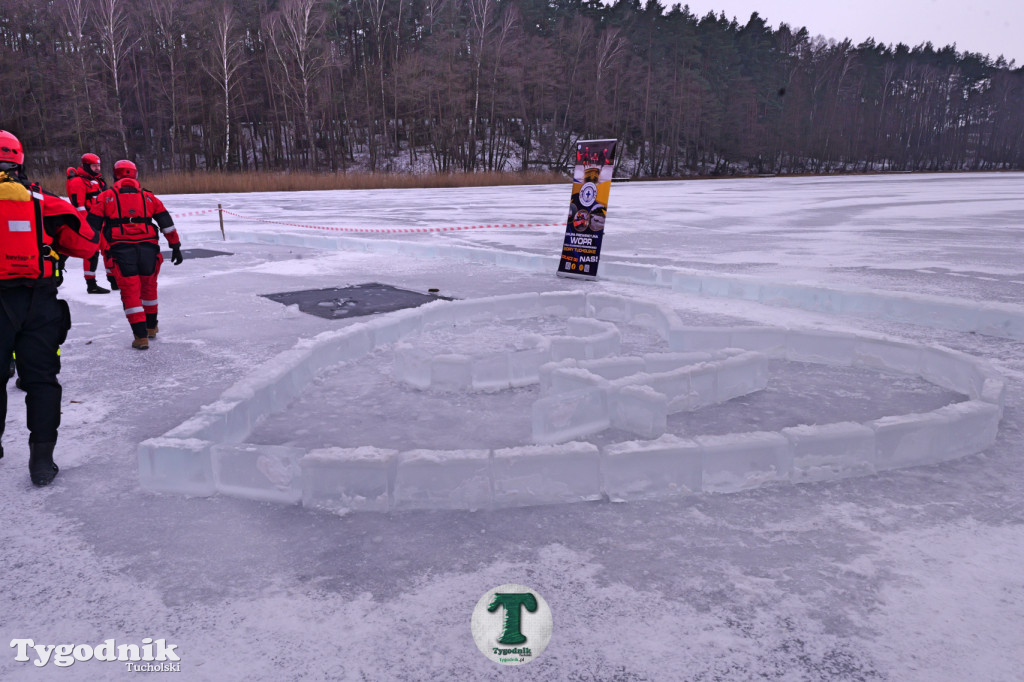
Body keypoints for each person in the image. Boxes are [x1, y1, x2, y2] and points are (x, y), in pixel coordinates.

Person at [0, 130, 100, 485]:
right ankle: (41, 463)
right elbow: (87, 246)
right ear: (19, 160)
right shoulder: (46, 202)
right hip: (38, 304)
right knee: (42, 381)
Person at [87, 160, 183, 350]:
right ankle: (151, 328)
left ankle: (140, 337)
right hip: (149, 249)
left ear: (115, 175)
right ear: (135, 175)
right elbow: (166, 222)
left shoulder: (105, 197)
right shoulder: (149, 197)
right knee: (149, 289)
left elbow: (91, 228)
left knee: (130, 292)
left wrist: (87, 249)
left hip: (121, 250)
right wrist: (175, 245)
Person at [66, 153, 115, 294]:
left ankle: (114, 281)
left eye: (98, 165)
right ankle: (91, 284)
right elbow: (78, 206)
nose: (97, 168)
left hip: (102, 222)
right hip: (90, 224)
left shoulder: (98, 181)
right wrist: (88, 225)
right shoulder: (77, 182)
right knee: (91, 253)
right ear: (86, 166)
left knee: (109, 250)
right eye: (94, 166)